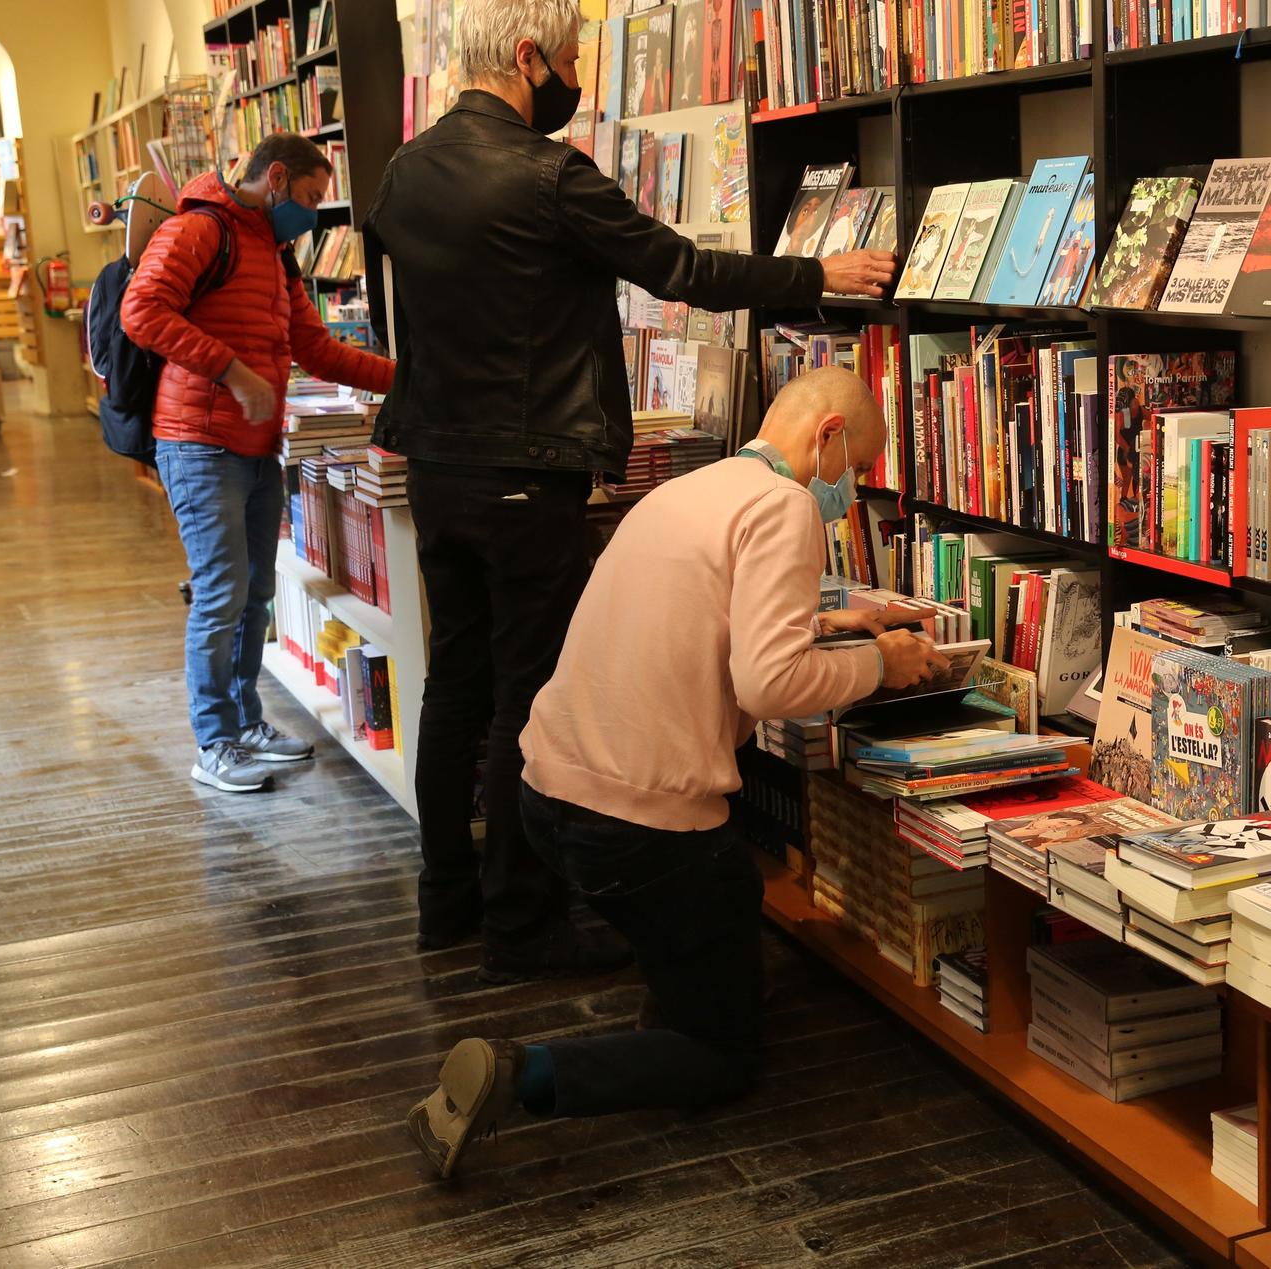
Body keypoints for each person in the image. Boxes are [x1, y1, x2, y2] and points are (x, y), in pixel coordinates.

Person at [363, 0, 896, 983]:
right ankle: (521, 924)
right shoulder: (546, 175)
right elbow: (682, 271)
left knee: (457, 683)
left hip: (435, 464)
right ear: (527, 60)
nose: (571, 82)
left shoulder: (401, 174)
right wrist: (812, 276)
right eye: (566, 64)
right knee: (527, 689)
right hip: (529, 472)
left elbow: (412, 326)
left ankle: (446, 900)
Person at [405, 368, 947, 1178]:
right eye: (859, 468)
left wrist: (829, 620)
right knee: (723, 1048)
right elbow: (771, 685)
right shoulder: (785, 504)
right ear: (828, 435)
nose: (853, 489)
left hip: (546, 789)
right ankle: (528, 1073)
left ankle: (682, 989)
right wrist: (880, 658)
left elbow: (703, 611)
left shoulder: (700, 486)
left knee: (715, 918)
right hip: (638, 824)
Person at [122, 132, 394, 793]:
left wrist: (410, 378)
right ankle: (213, 741)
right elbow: (141, 310)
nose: (310, 214)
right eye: (307, 197)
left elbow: (318, 349)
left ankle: (245, 724)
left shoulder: (274, 253)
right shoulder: (199, 230)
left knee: (253, 597)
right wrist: (233, 370)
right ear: (274, 177)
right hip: (197, 443)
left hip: (255, 447)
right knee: (219, 594)